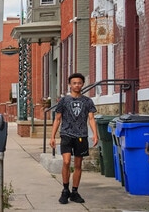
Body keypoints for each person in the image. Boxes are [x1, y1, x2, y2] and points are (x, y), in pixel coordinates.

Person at [49, 72, 99, 205]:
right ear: (70, 85)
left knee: (78, 164)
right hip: (66, 134)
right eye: (74, 83)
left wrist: (95, 134)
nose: (77, 85)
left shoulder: (87, 101)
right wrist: (52, 136)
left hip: (81, 136)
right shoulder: (64, 101)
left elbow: (91, 118)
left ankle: (75, 192)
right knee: (66, 162)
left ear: (83, 84)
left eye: (79, 83)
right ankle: (65, 190)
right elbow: (57, 118)